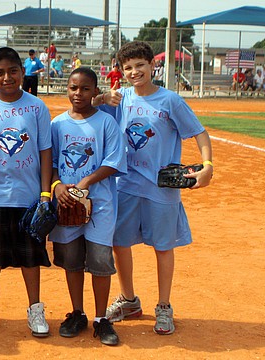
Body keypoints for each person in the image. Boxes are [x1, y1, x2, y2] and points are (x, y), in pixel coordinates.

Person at [96, 41, 213, 335]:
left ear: (151, 66)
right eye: (128, 68)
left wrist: (207, 164)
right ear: (121, 72)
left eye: (140, 65)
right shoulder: (119, 97)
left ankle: (164, 306)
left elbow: (199, 133)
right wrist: (100, 99)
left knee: (163, 246)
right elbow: (89, 106)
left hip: (161, 185)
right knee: (119, 242)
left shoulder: (169, 100)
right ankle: (129, 299)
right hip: (127, 183)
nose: (134, 72)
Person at [0, 47, 53, 338]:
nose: (7, 78)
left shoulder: (37, 107)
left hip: (28, 198)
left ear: (22, 73)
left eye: (12, 71)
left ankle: (35, 309)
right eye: (0, 72)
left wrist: (44, 195)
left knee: (30, 257)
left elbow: (45, 152)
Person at [49, 67, 126, 346]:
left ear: (96, 91)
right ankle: (78, 312)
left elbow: (115, 161)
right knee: (71, 259)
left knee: (100, 260)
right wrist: (57, 186)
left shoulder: (106, 123)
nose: (78, 94)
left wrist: (87, 180)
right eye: (72, 88)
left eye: (84, 89)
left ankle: (100, 318)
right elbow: (51, 164)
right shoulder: (57, 124)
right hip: (67, 202)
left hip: (100, 204)